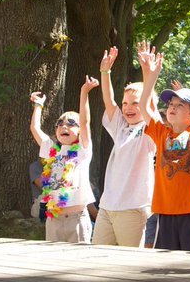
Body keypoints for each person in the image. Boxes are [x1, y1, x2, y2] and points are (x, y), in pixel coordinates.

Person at [140, 46, 190, 252]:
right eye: (171, 104)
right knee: (163, 262)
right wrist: (152, 76)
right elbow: (143, 107)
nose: (172, 107)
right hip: (164, 211)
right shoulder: (160, 132)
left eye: (180, 105)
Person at [91, 45, 156, 247]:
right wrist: (105, 72)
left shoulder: (151, 129)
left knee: (128, 265)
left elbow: (149, 105)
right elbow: (109, 101)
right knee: (97, 257)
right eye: (125, 103)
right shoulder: (120, 126)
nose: (128, 108)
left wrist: (148, 71)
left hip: (134, 207)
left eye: (135, 103)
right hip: (107, 206)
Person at [29, 77, 99, 243]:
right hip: (53, 220)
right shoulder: (51, 151)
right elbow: (35, 128)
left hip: (77, 219)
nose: (63, 126)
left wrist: (84, 92)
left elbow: (85, 121)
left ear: (80, 130)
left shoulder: (82, 150)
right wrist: (38, 105)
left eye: (71, 123)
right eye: (59, 123)